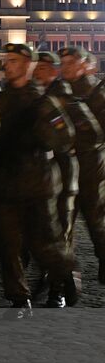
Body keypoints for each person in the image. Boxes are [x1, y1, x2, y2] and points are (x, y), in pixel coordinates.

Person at [0, 43, 79, 316]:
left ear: (27, 64)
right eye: (7, 60)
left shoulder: (42, 102)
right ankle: (19, 299)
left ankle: (65, 274)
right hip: (4, 183)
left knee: (45, 243)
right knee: (8, 244)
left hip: (37, 183)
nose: (8, 65)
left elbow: (64, 138)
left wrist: (38, 138)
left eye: (13, 60)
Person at [61, 47, 105, 279]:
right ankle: (63, 276)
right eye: (64, 62)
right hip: (66, 164)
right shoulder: (61, 91)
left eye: (72, 62)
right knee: (62, 221)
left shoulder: (98, 92)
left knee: (96, 218)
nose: (66, 67)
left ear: (88, 65)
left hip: (91, 165)